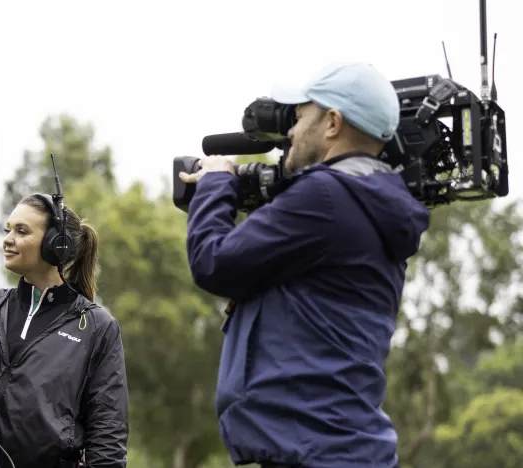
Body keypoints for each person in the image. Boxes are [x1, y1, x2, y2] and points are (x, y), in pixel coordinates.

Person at [178, 62, 431, 467]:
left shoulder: (326, 197)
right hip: (332, 450)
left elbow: (214, 262)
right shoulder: (366, 203)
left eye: (298, 119)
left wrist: (215, 183)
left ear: (332, 123)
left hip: (318, 452)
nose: (291, 133)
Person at [0, 193, 129, 468]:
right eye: (8, 230)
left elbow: (108, 432)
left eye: (22, 231)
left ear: (57, 243)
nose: (7, 239)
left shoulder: (97, 328)